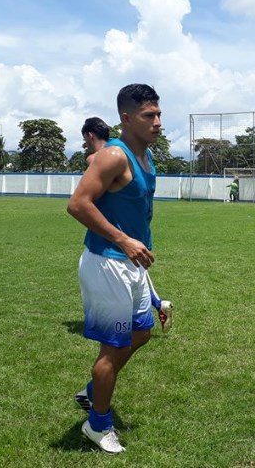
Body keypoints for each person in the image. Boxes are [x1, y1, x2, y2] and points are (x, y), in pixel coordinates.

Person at [67, 84, 162, 453]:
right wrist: (122, 240)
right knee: (112, 351)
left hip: (132, 264)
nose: (157, 122)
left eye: (158, 114)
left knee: (141, 333)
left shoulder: (147, 156)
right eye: (148, 116)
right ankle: (97, 424)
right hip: (108, 263)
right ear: (126, 118)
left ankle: (92, 392)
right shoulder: (113, 157)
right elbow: (78, 204)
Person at [81, 117, 173, 333]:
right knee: (129, 327)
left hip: (113, 247)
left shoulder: (99, 158)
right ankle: (158, 305)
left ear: (89, 135)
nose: (157, 122)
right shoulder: (128, 153)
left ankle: (157, 306)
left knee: (127, 328)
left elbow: (84, 201)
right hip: (129, 240)